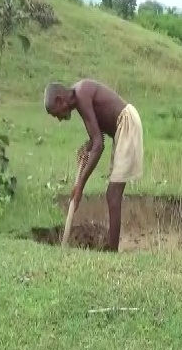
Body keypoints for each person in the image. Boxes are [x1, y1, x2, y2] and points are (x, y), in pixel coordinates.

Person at [44, 81, 144, 252]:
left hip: (127, 124)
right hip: (121, 128)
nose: (60, 119)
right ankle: (112, 249)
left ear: (61, 101)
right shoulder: (80, 98)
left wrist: (80, 186)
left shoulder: (82, 95)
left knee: (113, 195)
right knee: (112, 195)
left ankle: (112, 252)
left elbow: (99, 145)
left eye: (56, 114)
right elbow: (96, 138)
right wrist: (87, 147)